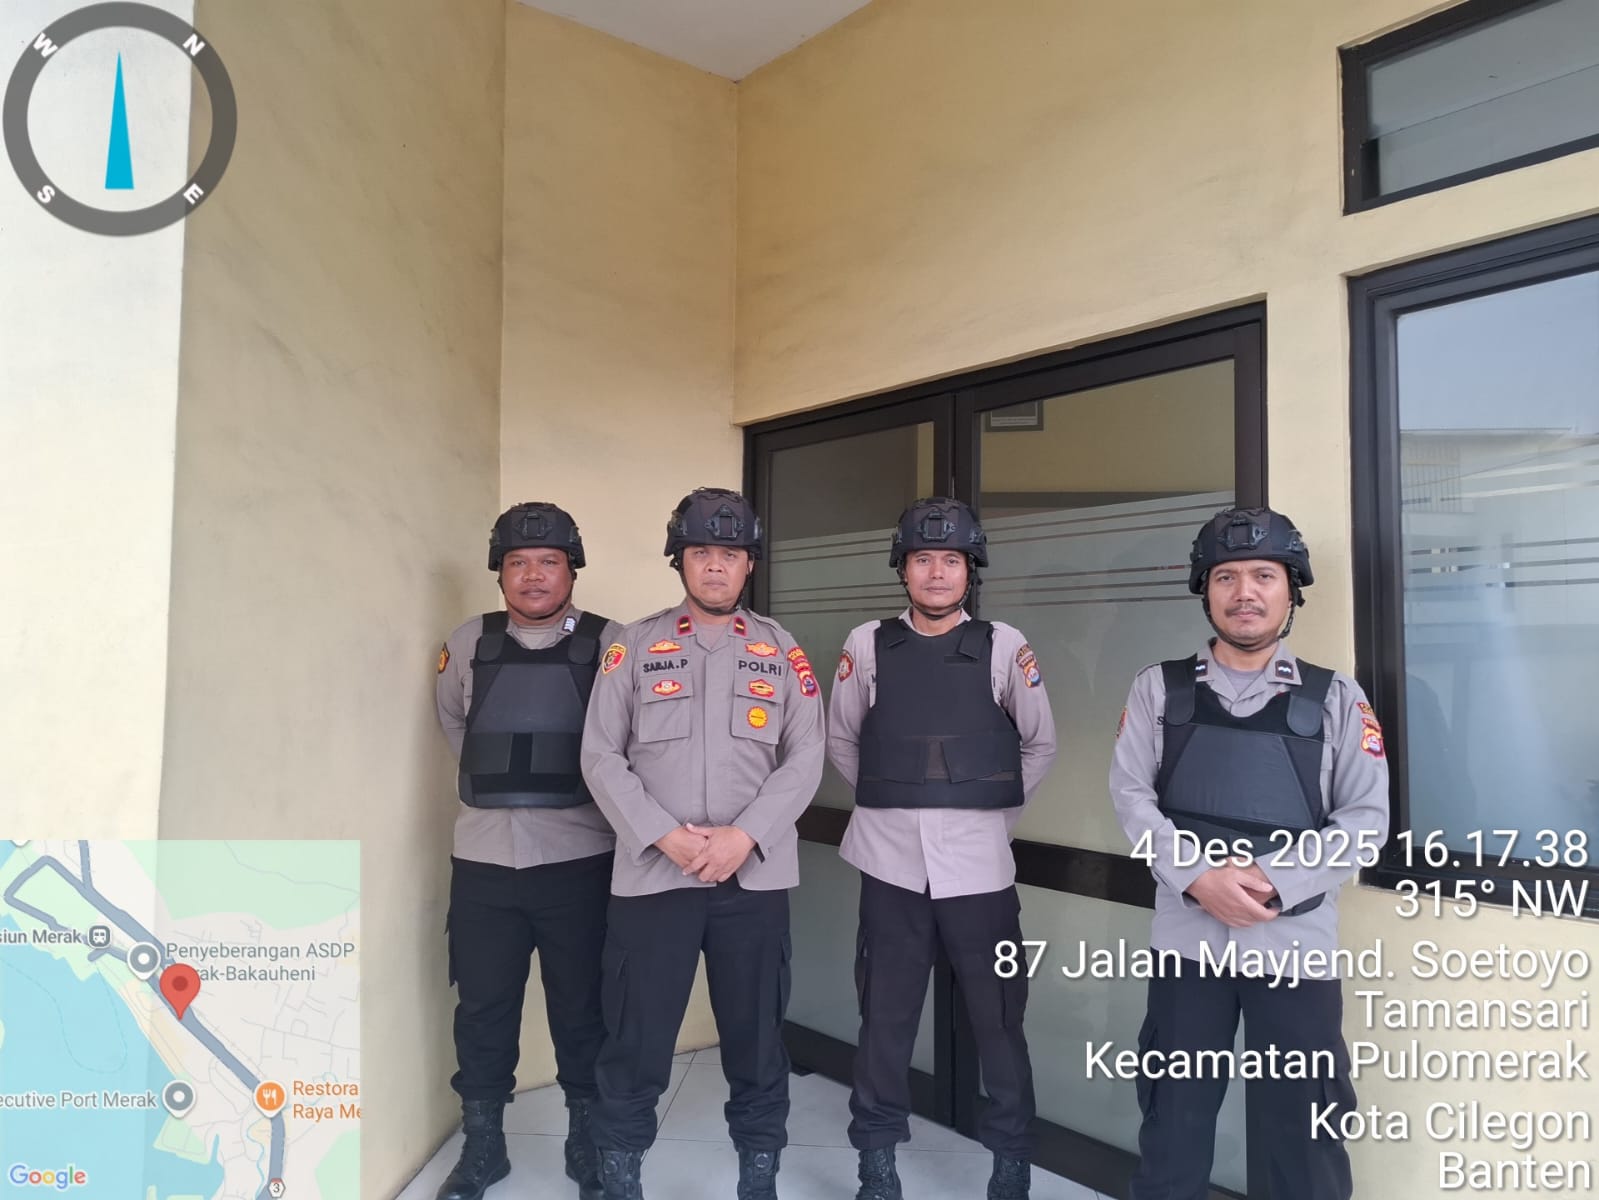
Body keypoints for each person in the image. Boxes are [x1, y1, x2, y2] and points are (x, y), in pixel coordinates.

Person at [1109, 506, 1389, 1200]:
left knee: (1304, 1136)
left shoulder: (1335, 698)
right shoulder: (1158, 688)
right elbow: (1130, 798)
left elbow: (1365, 821)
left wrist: (1269, 880)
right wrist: (1198, 877)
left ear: (1290, 590)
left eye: (1264, 575)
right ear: (1204, 590)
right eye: (1226, 576)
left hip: (1294, 950)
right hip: (1186, 948)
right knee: (1172, 1129)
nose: (1244, 592)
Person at [580, 486, 826, 1200]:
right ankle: (619, 1174)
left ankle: (759, 1174)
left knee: (757, 1040)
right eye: (700, 552)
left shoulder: (781, 649)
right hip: (655, 878)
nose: (715, 565)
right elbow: (600, 755)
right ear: (679, 561)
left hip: (752, 880)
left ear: (749, 563)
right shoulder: (631, 646)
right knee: (634, 1038)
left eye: (730, 553)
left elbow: (806, 756)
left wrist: (744, 836)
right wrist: (665, 836)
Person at [827, 498, 1058, 1200]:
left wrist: (988, 818)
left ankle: (1010, 1160)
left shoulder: (1004, 645)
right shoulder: (866, 643)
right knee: (884, 1021)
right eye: (922, 559)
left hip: (980, 871)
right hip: (889, 866)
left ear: (969, 570)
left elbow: (1038, 744)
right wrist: (896, 800)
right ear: (902, 569)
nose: (935, 572)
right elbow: (842, 739)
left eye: (950, 560)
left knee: (999, 1021)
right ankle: (876, 1162)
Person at [434, 502, 622, 1200]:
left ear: (572, 570)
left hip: (581, 861)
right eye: (518, 562)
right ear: (499, 573)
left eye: (548, 561)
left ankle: (585, 1140)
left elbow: (629, 738)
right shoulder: (469, 642)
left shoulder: (612, 644)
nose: (533, 575)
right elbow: (456, 724)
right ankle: (484, 1148)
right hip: (484, 863)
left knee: (583, 1009)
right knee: (482, 1011)